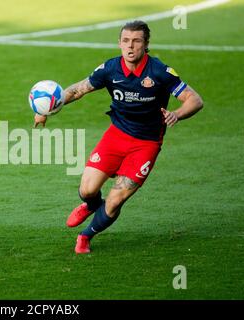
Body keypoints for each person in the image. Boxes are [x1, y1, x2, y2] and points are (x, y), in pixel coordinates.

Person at [34, 20, 204, 254]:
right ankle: (91, 204)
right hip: (117, 136)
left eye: (136, 41)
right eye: (125, 41)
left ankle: (85, 236)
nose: (130, 46)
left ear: (146, 45)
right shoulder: (110, 69)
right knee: (87, 189)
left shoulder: (160, 72)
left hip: (146, 144)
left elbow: (195, 100)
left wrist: (176, 114)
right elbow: (78, 90)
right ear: (119, 43)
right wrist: (47, 109)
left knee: (115, 200)